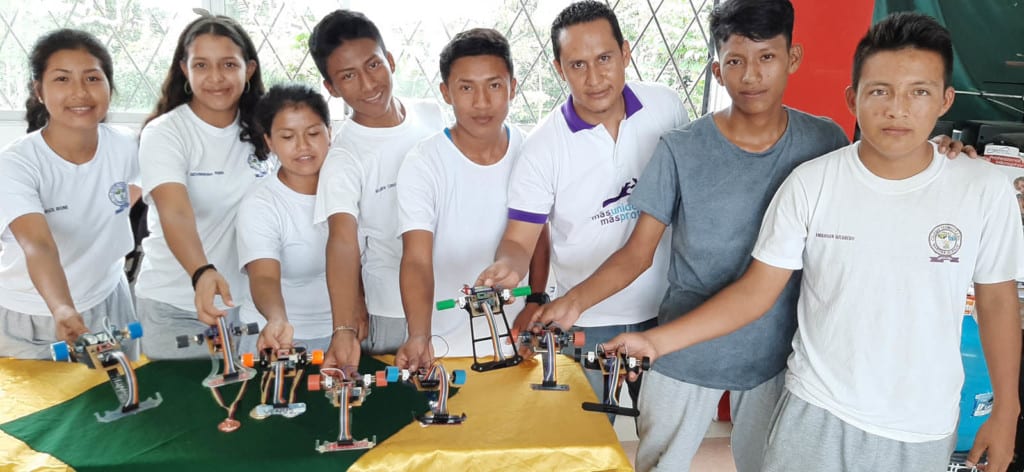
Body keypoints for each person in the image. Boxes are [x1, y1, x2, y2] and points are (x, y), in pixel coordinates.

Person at [608, 12, 1023, 472]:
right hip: (814, 408)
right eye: (880, 91)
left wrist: (1007, 408)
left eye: (919, 92)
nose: (897, 109)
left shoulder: (983, 189)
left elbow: (999, 301)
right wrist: (655, 341)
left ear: (946, 99)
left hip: (921, 424)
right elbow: (755, 291)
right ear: (853, 98)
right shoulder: (811, 181)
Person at [475, 0, 689, 407]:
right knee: (585, 446)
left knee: (666, 445)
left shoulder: (666, 108)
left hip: (669, 310)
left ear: (626, 53)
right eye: (577, 65)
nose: (594, 78)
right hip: (583, 319)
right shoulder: (542, 147)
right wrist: (508, 267)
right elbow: (521, 241)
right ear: (559, 68)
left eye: (605, 58)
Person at [393, 28, 547, 369]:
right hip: (444, 348)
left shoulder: (532, 151)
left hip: (515, 343)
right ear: (446, 93)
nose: (481, 102)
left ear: (513, 87)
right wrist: (420, 335)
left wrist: (536, 300)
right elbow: (416, 259)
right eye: (466, 88)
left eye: (494, 85)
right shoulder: (423, 162)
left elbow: (539, 236)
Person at [308, 10, 446, 371]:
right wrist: (344, 326)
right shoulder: (344, 156)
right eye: (348, 76)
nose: (368, 85)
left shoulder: (431, 116)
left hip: (450, 299)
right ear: (332, 88)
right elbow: (341, 241)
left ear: (391, 60)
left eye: (373, 65)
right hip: (392, 313)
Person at [136, 14, 272, 359]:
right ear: (185, 69)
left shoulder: (266, 129)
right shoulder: (166, 133)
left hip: (248, 308)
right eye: (201, 65)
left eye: (228, 64)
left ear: (249, 69)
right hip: (175, 308)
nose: (215, 78)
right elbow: (175, 211)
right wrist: (201, 272)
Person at [0, 29, 139, 359]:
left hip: (110, 301)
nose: (80, 92)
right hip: (34, 316)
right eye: (62, 79)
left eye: (92, 78)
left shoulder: (125, 145)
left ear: (109, 85)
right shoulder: (16, 164)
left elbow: (133, 192)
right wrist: (62, 308)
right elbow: (39, 245)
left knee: (123, 403)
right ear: (39, 91)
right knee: (50, 412)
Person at [236, 84, 333, 355]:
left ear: (330, 132)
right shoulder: (261, 203)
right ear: (269, 142)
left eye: (313, 133)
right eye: (288, 136)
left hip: (341, 333)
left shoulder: (348, 187)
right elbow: (264, 275)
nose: (303, 146)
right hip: (277, 338)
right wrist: (276, 318)